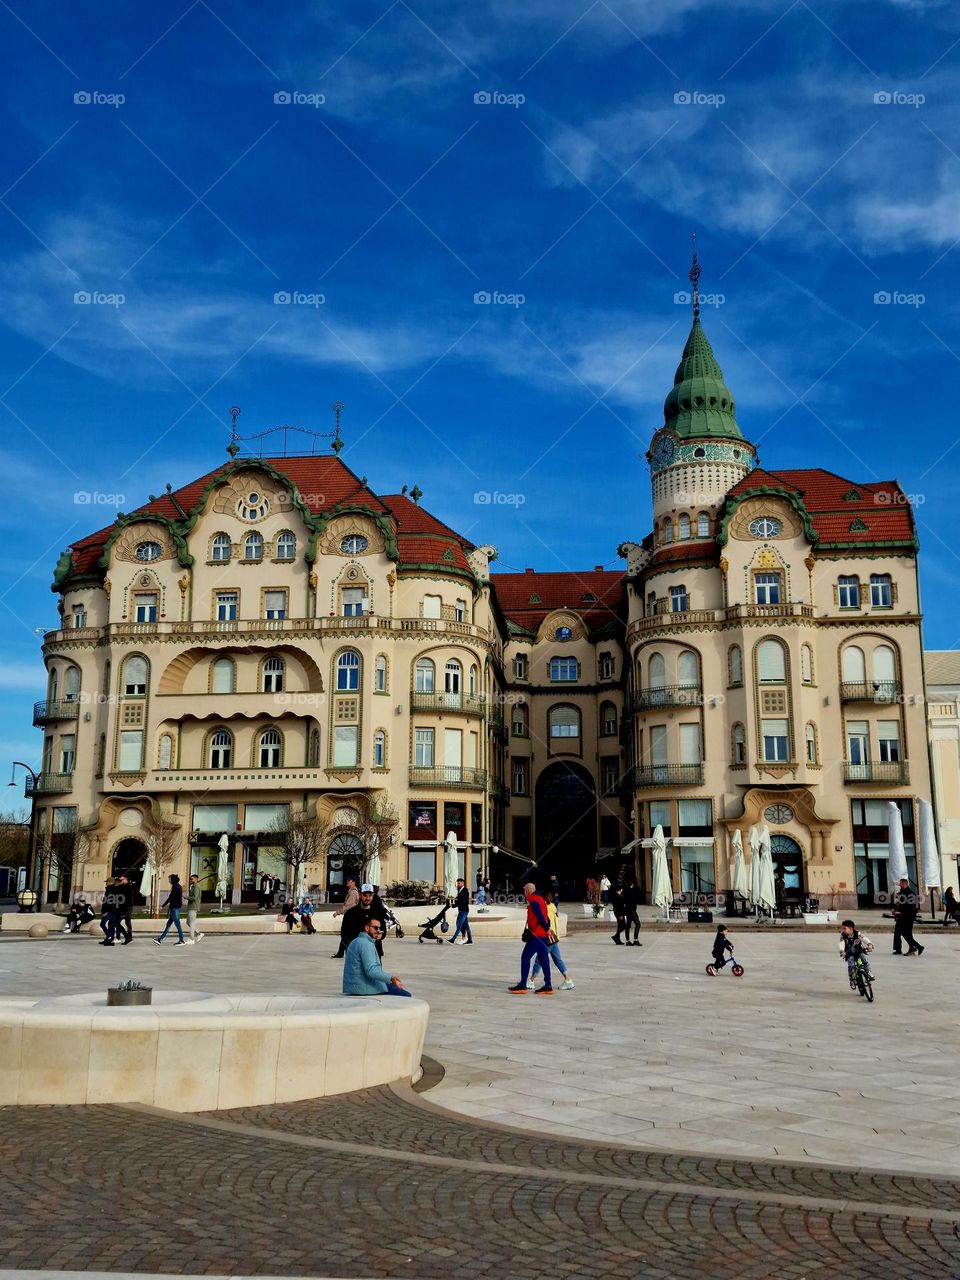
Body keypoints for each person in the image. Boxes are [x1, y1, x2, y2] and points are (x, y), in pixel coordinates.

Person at [343, 919, 411, 996]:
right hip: (365, 988)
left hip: (353, 987)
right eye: (375, 928)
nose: (378, 931)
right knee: (406, 995)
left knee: (388, 986)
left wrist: (374, 939)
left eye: (379, 928)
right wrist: (391, 978)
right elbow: (371, 971)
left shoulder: (355, 941)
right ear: (367, 928)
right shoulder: (367, 944)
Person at [508, 883, 554, 994]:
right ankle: (548, 985)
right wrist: (547, 928)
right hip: (542, 936)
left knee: (525, 957)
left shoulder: (533, 899)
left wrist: (547, 928)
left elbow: (539, 915)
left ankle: (523, 985)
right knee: (544, 960)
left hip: (536, 936)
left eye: (525, 891)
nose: (524, 893)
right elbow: (545, 916)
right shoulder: (541, 899)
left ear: (528, 891)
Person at [529, 895, 574, 990]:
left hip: (547, 937)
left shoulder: (545, 909)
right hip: (554, 938)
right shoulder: (553, 907)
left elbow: (545, 923)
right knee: (558, 960)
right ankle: (568, 980)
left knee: (539, 959)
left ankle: (531, 980)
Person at [338, 884, 387, 959]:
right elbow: (344, 935)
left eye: (370, 895)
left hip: (374, 954)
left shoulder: (378, 913)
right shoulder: (350, 913)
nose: (367, 898)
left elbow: (383, 930)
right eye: (365, 895)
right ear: (360, 895)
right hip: (356, 955)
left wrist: (380, 935)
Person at [892, 877, 924, 956]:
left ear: (904, 884)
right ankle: (899, 949)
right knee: (898, 932)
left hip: (907, 917)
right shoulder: (902, 893)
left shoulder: (910, 894)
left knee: (905, 933)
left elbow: (910, 907)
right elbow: (900, 904)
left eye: (900, 883)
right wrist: (895, 910)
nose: (899, 885)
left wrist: (900, 912)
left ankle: (917, 947)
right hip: (902, 916)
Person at [839, 919, 876, 986]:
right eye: (842, 929)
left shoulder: (857, 933)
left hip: (859, 951)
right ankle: (852, 979)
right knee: (851, 965)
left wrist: (869, 944)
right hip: (849, 953)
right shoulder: (843, 936)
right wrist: (842, 951)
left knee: (865, 960)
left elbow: (864, 938)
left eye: (845, 929)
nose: (843, 930)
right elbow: (841, 943)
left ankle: (869, 973)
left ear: (851, 928)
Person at [330, 877, 360, 958]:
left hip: (350, 916)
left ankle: (344, 952)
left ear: (353, 882)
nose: (347, 882)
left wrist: (337, 912)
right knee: (346, 935)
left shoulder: (353, 893)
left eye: (349, 880)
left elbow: (348, 905)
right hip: (350, 915)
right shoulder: (351, 892)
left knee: (346, 934)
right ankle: (341, 952)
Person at [154, 874, 185, 945]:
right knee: (168, 924)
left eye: (170, 879)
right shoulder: (178, 886)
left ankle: (181, 940)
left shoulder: (176, 886)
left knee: (178, 925)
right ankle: (160, 939)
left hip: (175, 908)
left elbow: (171, 897)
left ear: (173, 879)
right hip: (174, 908)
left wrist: (163, 906)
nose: (169, 880)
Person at [616, 881, 642, 946]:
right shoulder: (631, 890)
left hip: (627, 910)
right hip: (631, 910)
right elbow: (634, 899)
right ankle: (635, 940)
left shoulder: (625, 890)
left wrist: (621, 913)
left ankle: (628, 941)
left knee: (628, 925)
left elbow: (621, 900)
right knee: (638, 924)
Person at [450, 877, 472, 945]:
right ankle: (470, 940)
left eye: (459, 883)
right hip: (461, 911)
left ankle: (453, 939)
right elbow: (459, 900)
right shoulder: (460, 890)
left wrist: (454, 905)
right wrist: (454, 904)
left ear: (462, 883)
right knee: (466, 926)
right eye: (457, 883)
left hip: (464, 911)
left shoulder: (465, 891)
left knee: (459, 925)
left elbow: (462, 901)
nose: (458, 884)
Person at [114, 875, 133, 945]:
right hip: (123, 908)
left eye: (121, 880)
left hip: (126, 908)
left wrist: (122, 912)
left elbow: (125, 900)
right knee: (119, 922)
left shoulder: (128, 887)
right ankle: (124, 937)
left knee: (126, 922)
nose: (120, 882)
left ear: (125, 879)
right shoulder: (122, 887)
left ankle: (128, 937)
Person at [99, 878, 118, 946]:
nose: (106, 883)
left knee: (102, 924)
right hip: (113, 910)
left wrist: (104, 911)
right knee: (111, 925)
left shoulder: (110, 889)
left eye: (107, 882)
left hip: (109, 910)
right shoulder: (114, 889)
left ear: (110, 882)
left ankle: (109, 937)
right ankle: (110, 939)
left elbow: (107, 901)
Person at [185, 873, 203, 944]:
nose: (190, 880)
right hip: (191, 907)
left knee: (192, 923)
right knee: (188, 922)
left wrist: (186, 897)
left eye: (192, 879)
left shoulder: (196, 887)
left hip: (193, 907)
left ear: (196, 879)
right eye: (190, 879)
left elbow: (195, 897)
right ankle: (199, 933)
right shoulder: (193, 887)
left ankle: (191, 939)